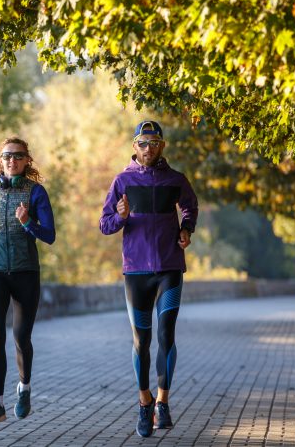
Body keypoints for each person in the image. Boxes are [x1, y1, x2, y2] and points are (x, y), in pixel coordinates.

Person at [99, 120, 198, 438]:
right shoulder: (122, 181)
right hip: (136, 272)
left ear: (162, 146)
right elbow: (105, 224)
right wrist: (122, 216)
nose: (148, 148)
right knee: (141, 341)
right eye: (143, 143)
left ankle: (163, 404)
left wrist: (186, 229)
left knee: (167, 335)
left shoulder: (176, 179)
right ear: (134, 146)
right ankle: (144, 403)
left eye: (154, 143)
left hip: (170, 268)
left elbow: (190, 207)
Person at [0, 137, 56, 424]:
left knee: (21, 336)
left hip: (26, 273)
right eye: (7, 155)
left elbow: (49, 235)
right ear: (0, 160)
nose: (12, 160)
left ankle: (24, 388)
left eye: (18, 155)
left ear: (26, 161)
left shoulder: (36, 193)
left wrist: (27, 223)